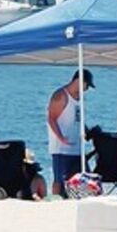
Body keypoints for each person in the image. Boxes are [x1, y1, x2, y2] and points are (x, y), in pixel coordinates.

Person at [47, 69, 94, 198]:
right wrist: (61, 138)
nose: (86, 89)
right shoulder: (61, 95)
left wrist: (86, 130)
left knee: (84, 178)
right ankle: (55, 201)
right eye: (86, 85)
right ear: (79, 81)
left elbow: (77, 118)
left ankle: (78, 198)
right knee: (59, 180)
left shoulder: (79, 98)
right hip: (61, 149)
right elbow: (51, 118)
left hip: (77, 147)